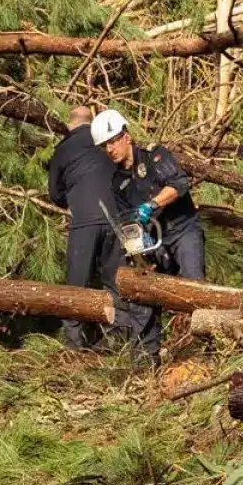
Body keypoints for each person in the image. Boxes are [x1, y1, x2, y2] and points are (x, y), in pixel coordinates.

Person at [92, 108, 196, 369]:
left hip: (183, 231)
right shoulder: (118, 182)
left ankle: (201, 352)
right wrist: (138, 251)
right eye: (105, 145)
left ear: (126, 137)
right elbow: (128, 221)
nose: (110, 149)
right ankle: (144, 361)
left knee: (195, 287)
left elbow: (179, 184)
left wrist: (151, 205)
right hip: (154, 242)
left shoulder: (154, 156)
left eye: (113, 141)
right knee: (141, 294)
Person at [46, 105, 122, 350]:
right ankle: (115, 337)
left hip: (84, 222)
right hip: (116, 219)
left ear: (71, 124)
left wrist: (72, 197)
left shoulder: (63, 149)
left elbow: (55, 193)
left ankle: (74, 341)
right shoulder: (109, 142)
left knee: (77, 280)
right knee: (115, 280)